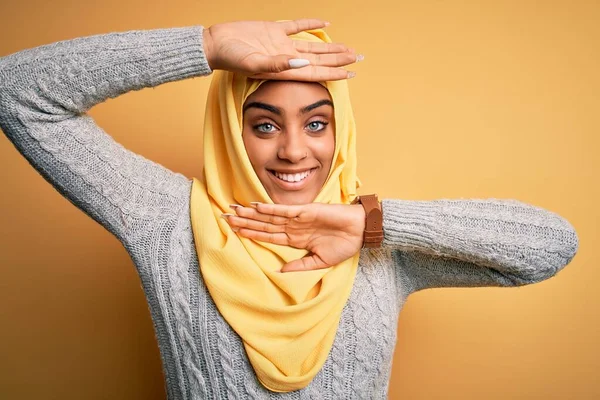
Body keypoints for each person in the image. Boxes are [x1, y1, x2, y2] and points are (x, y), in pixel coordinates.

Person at [0, 19, 578, 399]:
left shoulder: (379, 247)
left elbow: (550, 246)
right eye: (265, 123)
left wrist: (373, 223)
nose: (295, 150)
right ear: (230, 129)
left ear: (340, 131)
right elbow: (17, 92)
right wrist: (203, 46)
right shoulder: (170, 223)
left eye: (318, 123)